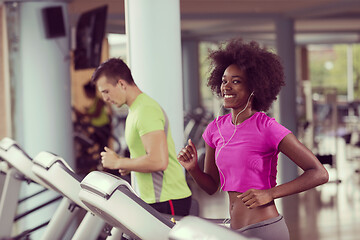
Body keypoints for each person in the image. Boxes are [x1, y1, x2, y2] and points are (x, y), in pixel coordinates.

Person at [177, 38, 329, 240]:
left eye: (236, 81)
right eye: (224, 81)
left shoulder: (267, 128)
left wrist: (270, 193)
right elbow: (212, 186)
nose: (227, 87)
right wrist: (193, 168)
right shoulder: (214, 128)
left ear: (254, 87)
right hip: (234, 229)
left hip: (264, 228)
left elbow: (319, 173)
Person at [90, 58, 192, 217]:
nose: (105, 99)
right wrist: (127, 163)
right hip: (155, 199)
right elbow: (147, 156)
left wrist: (118, 162)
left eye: (106, 91)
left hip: (167, 199)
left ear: (121, 84)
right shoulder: (135, 110)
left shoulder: (145, 110)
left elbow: (158, 161)